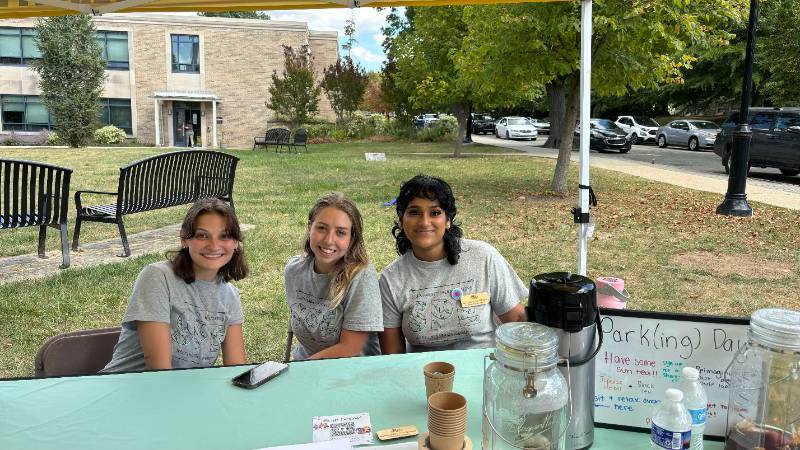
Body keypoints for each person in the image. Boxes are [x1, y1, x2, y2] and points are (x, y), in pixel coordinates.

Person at [379, 175, 528, 354]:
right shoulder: (390, 279)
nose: (424, 222)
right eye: (414, 212)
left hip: (484, 368)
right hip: (424, 375)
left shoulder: (483, 257)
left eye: (435, 213)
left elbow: (517, 318)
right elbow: (392, 355)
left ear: (448, 220)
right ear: (402, 220)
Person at [102, 198, 248, 372]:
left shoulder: (230, 295)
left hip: (181, 392)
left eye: (224, 236)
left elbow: (237, 370)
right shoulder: (157, 277)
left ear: (236, 243)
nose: (214, 245)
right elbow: (159, 369)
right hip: (125, 389)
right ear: (184, 239)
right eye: (202, 235)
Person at [284, 192, 383, 360]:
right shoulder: (294, 271)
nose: (329, 240)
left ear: (351, 238)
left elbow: (350, 348)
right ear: (310, 227)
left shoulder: (361, 277)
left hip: (351, 371)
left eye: (341, 232)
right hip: (307, 364)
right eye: (321, 228)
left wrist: (300, 370)